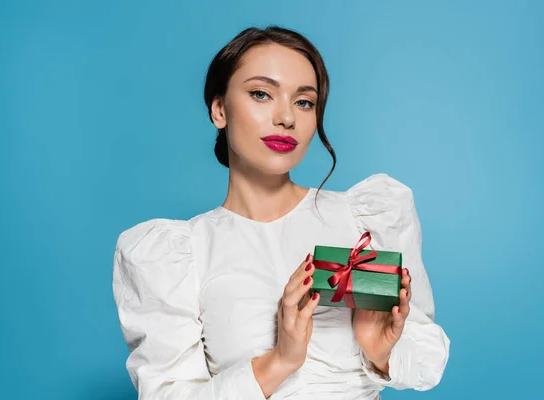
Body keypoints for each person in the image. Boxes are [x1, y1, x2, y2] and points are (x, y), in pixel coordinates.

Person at [112, 25, 450, 399]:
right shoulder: (176, 254)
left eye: (304, 101)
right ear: (219, 109)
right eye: (261, 94)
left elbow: (428, 358)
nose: (286, 117)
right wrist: (280, 361)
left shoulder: (366, 218)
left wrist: (380, 351)